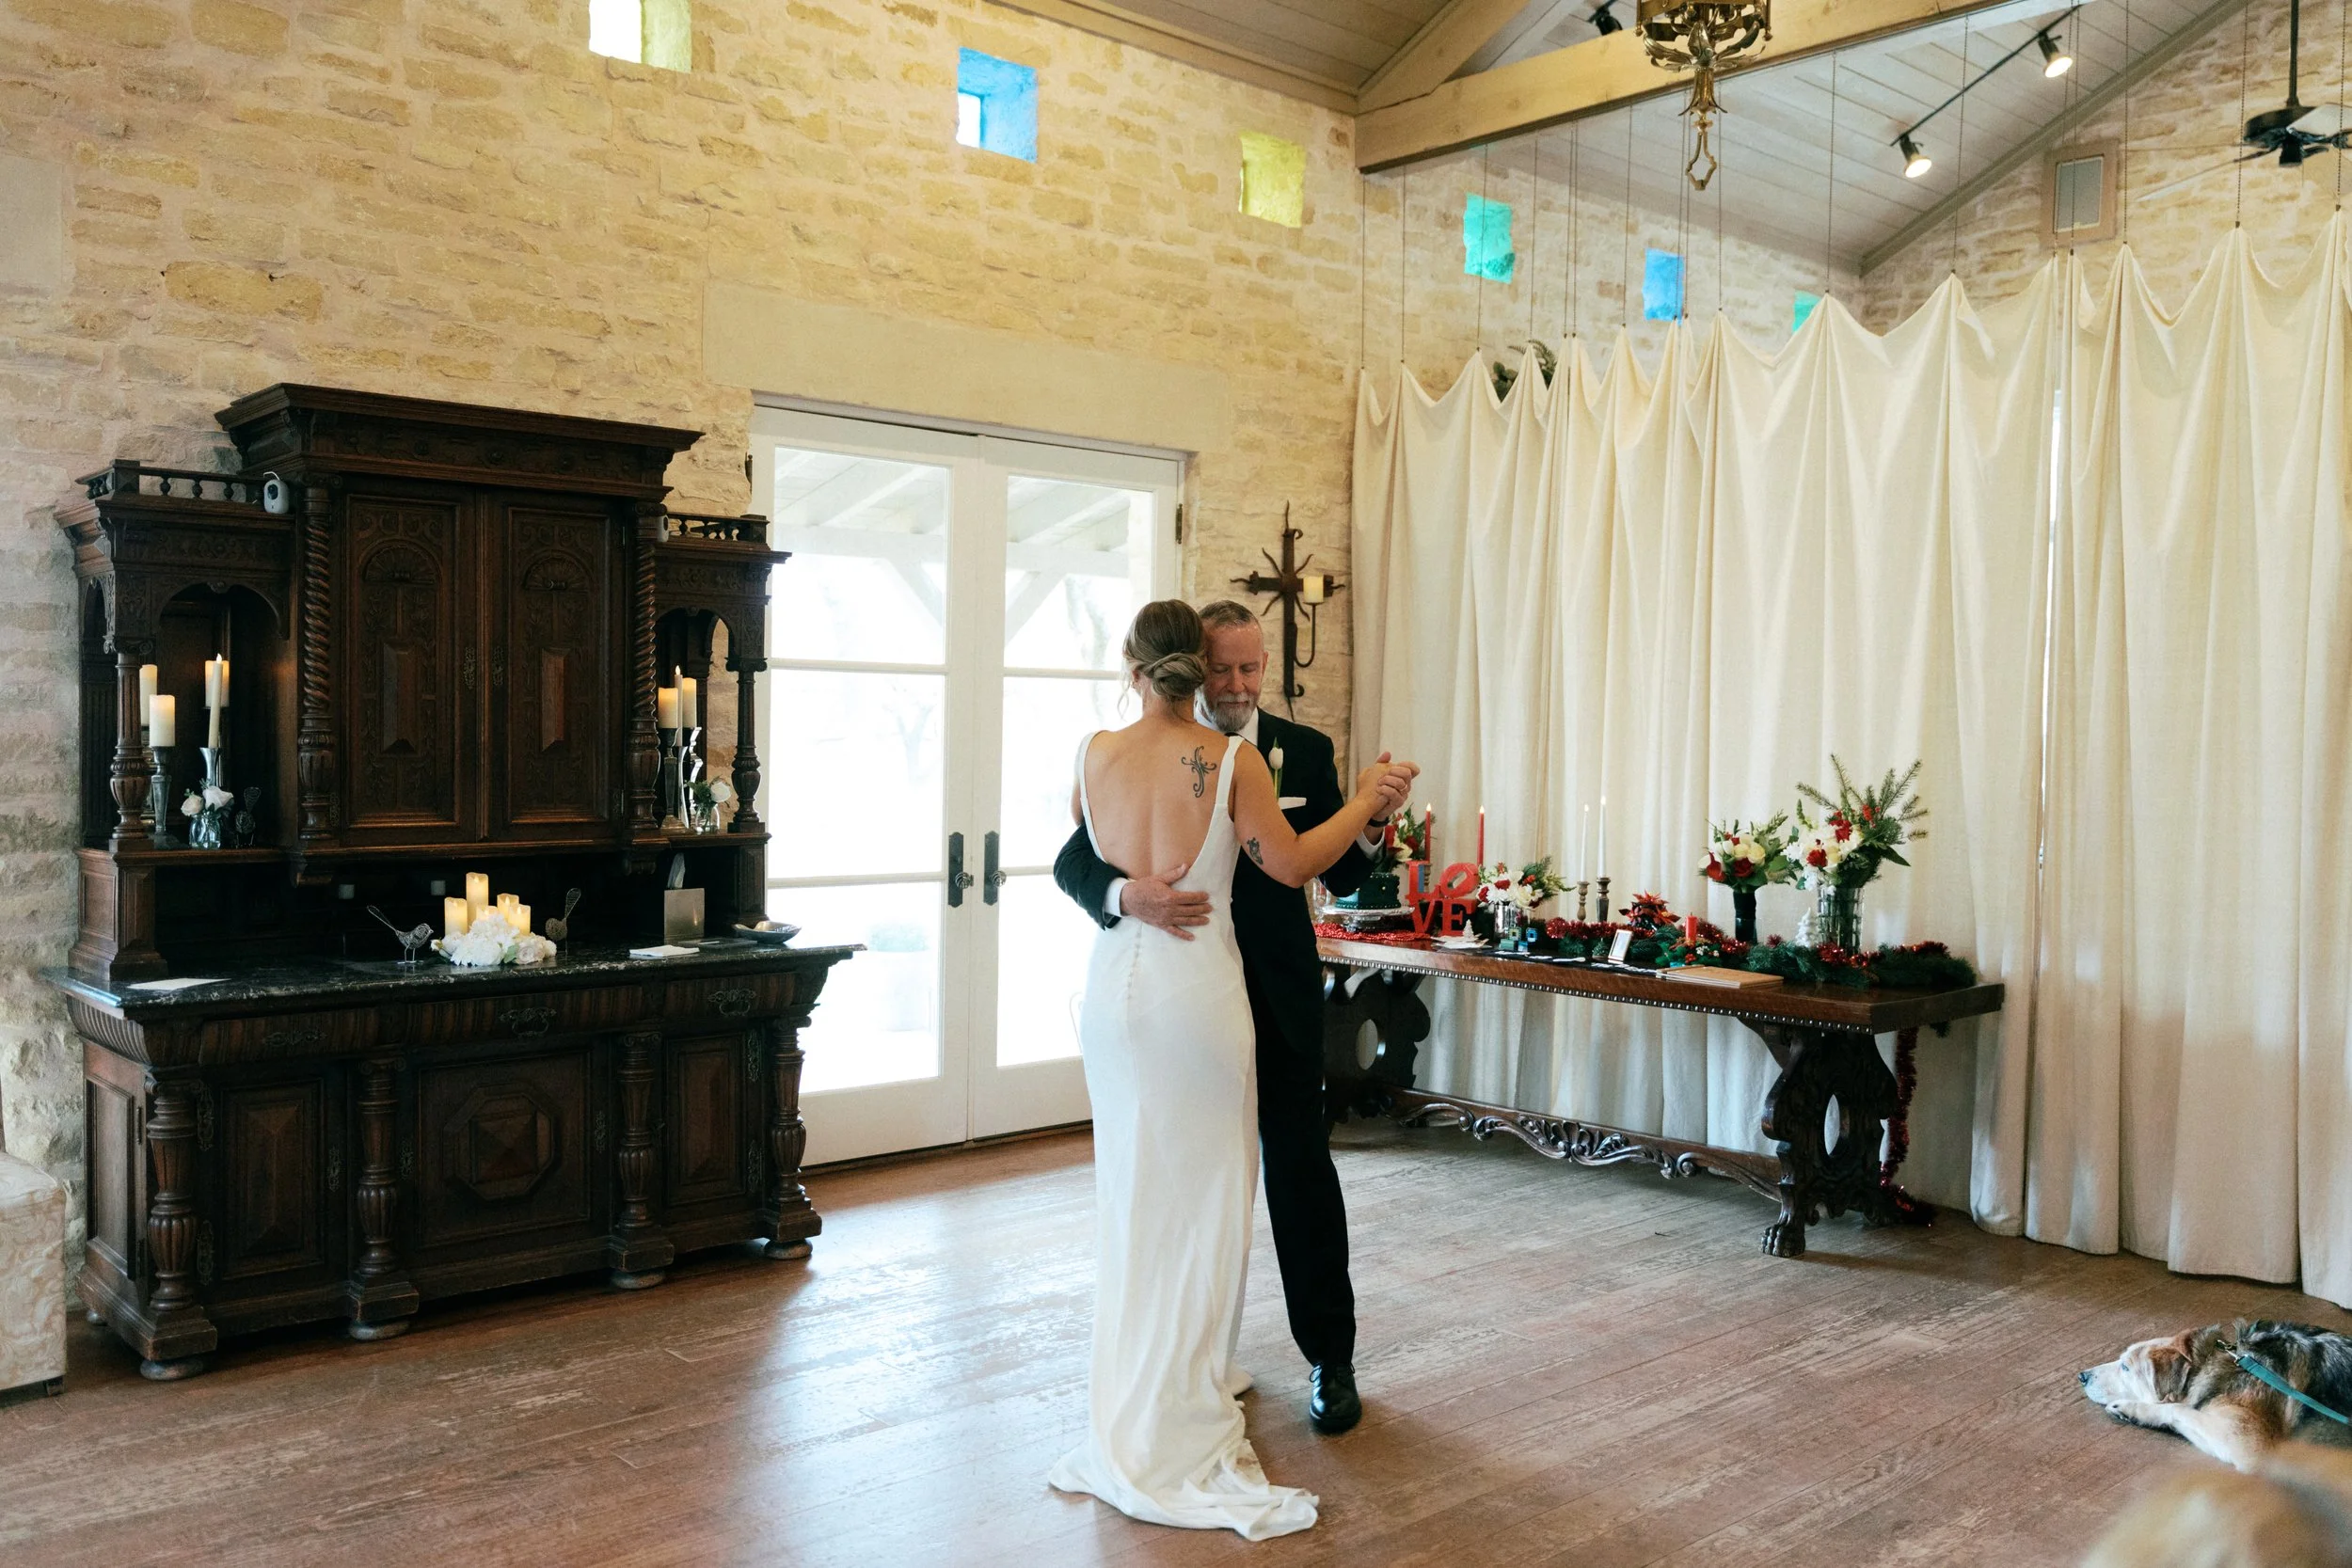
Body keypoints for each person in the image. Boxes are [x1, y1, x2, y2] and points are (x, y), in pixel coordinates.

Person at [1046, 599, 1412, 1542]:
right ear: (1193, 664)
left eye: (1254, 669)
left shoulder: (1297, 749)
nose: (1242, 685)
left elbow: (1344, 877)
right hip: (1190, 997)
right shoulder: (1200, 758)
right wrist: (1126, 892)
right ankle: (1194, 1363)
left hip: (1270, 1002)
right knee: (1185, 1185)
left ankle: (1329, 1358)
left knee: (1296, 1173)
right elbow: (1073, 859)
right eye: (1226, 669)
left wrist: (1372, 820)